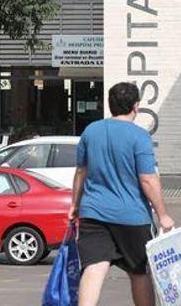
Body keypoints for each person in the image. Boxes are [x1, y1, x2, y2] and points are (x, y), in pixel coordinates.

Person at [68, 82, 174, 306]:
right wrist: (163, 214)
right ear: (135, 107)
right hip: (132, 217)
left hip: (93, 213)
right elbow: (147, 179)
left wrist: (75, 205)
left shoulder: (90, 131)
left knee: (94, 268)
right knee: (139, 272)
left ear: (110, 105)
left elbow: (81, 172)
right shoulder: (139, 136)